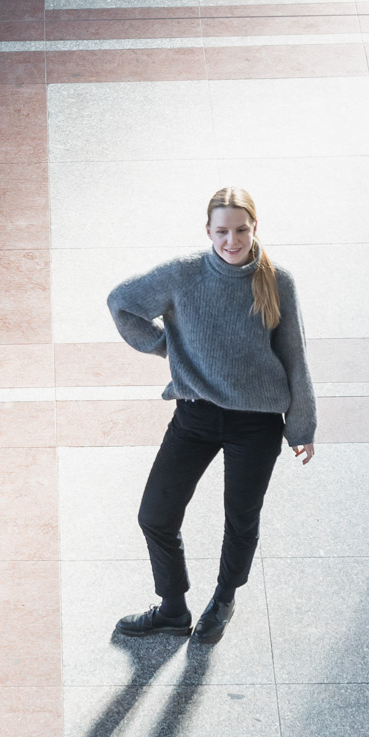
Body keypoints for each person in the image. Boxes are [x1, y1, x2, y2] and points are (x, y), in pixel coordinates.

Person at [107, 187, 316, 646]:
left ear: (254, 227)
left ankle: (223, 599)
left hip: (257, 423)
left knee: (240, 519)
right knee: (155, 514)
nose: (232, 240)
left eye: (241, 229)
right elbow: (121, 302)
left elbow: (294, 356)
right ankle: (173, 608)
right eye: (222, 231)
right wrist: (169, 349)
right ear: (208, 231)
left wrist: (302, 425)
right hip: (196, 416)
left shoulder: (277, 281)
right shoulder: (183, 275)